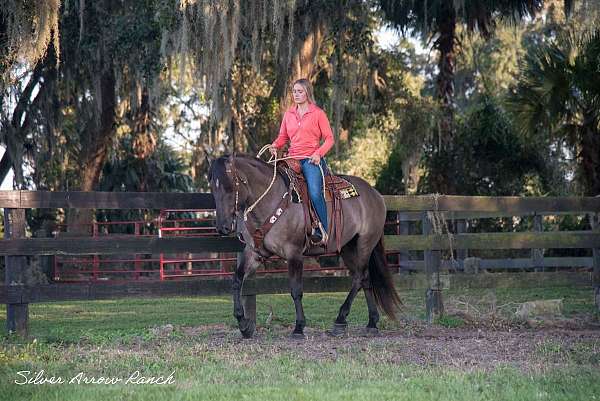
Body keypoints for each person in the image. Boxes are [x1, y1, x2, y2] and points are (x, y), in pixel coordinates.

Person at [269, 78, 335, 246]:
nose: (296, 94)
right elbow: (283, 137)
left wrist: (318, 154)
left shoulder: (318, 113)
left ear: (307, 93)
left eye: (300, 91)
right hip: (291, 158)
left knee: (314, 192)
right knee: (273, 184)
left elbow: (329, 139)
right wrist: (275, 145)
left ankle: (323, 230)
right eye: (294, 91)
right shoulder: (289, 114)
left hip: (310, 160)